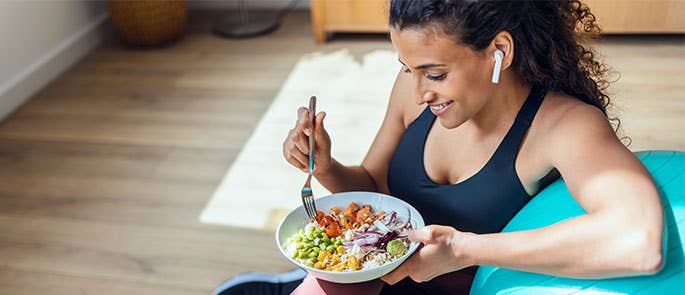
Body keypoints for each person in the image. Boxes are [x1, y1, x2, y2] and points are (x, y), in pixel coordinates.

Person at [215, 0, 664, 294]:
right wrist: (327, 166)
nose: (416, 93)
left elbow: (639, 245)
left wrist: (463, 250)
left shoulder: (565, 127)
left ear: (499, 51)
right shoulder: (414, 94)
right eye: (406, 69)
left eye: (433, 73)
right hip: (372, 279)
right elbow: (375, 188)